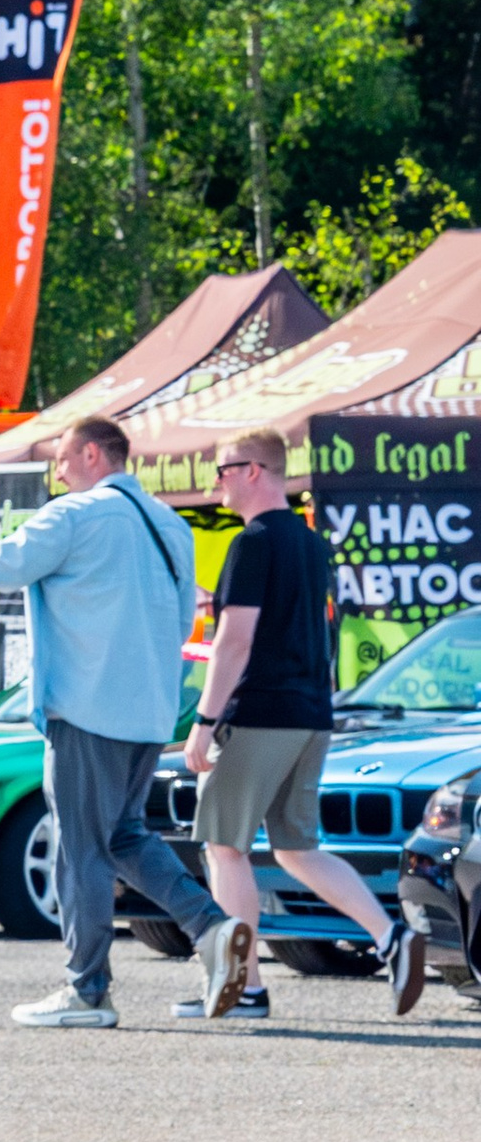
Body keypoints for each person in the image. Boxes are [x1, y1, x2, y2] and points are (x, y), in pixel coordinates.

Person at [0, 415, 247, 1027]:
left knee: (79, 845)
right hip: (149, 712)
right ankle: (212, 927)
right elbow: (182, 624)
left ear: (94, 455)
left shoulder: (76, 515)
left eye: (64, 459)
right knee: (123, 837)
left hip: (87, 709)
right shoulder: (172, 526)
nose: (59, 472)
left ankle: (87, 990)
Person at [189, 430, 422, 1013]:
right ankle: (393, 937)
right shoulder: (309, 544)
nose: (215, 481)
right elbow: (281, 624)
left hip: (260, 712)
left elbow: (234, 642)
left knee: (224, 846)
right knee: (297, 848)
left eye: (223, 470)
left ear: (255, 471)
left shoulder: (253, 543)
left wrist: (203, 720)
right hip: (311, 713)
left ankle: (244, 986)